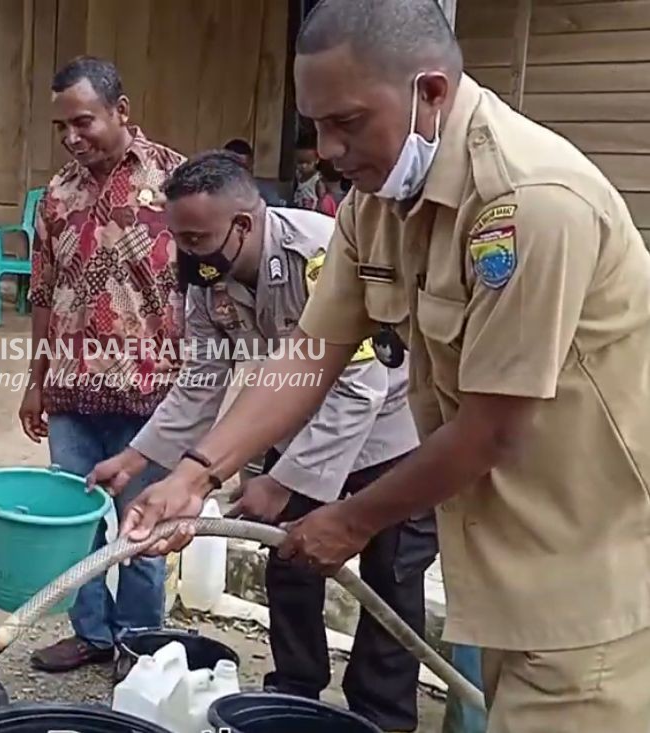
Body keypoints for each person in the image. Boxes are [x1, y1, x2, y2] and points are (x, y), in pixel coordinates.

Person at [118, 1, 650, 731]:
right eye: (316, 127)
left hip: (585, 575)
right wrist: (195, 472)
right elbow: (313, 348)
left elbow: (496, 427)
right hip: (503, 559)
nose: (328, 150)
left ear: (430, 93)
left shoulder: (526, 203)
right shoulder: (378, 202)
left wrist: (349, 518)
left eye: (348, 122)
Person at [90, 150, 433, 731]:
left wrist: (284, 480)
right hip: (294, 431)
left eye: (196, 236)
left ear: (243, 223)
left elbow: (362, 385)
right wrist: (139, 455)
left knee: (392, 581)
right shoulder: (207, 276)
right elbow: (201, 379)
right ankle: (292, 701)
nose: (186, 251)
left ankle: (383, 716)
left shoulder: (322, 253)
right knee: (291, 567)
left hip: (391, 440)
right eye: (179, 237)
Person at [20, 55, 185, 679]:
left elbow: (200, 291)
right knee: (78, 529)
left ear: (121, 111)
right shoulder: (57, 195)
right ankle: (91, 633)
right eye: (62, 126)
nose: (72, 137)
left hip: (150, 396)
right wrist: (36, 382)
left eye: (83, 122)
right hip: (69, 394)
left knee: (141, 535)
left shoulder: (175, 181)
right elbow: (42, 293)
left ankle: (139, 644)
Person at [222, 137, 288, 206]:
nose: (238, 171)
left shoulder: (265, 190)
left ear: (251, 163)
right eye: (233, 165)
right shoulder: (214, 189)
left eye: (243, 166)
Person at [292, 142, 337, 217]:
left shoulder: (317, 180)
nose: (304, 166)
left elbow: (322, 198)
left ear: (316, 161)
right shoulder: (298, 176)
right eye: (300, 163)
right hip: (299, 210)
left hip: (312, 212)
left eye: (308, 163)